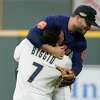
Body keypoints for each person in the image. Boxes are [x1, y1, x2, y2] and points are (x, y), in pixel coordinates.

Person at [13, 5, 100, 100]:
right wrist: (51, 50)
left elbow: (78, 64)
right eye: (87, 23)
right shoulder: (55, 21)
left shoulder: (80, 41)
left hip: (37, 76)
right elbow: (33, 35)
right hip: (53, 68)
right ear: (78, 18)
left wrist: (73, 73)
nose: (89, 27)